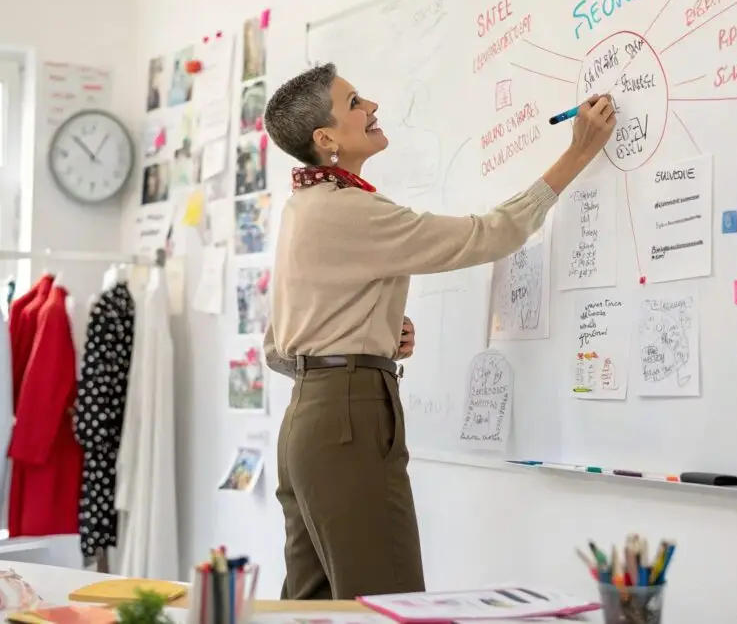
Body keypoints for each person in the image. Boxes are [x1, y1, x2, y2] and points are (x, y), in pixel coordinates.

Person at [262, 62, 616, 601]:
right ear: (325, 139)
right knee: (388, 600)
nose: (372, 107)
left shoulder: (302, 208)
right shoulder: (351, 211)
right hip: (349, 418)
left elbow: (278, 349)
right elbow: (489, 235)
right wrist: (579, 153)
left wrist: (369, 335)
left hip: (307, 422)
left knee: (311, 605)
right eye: (354, 103)